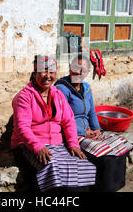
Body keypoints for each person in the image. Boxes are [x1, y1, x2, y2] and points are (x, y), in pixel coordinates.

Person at [11, 55, 96, 192]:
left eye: (51, 72)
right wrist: (37, 146)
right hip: (28, 145)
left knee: (82, 164)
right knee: (53, 167)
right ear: (35, 73)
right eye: (43, 71)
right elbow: (22, 128)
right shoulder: (24, 97)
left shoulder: (58, 95)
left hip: (57, 144)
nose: (47, 76)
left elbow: (69, 122)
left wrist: (73, 145)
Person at [55, 54, 133, 192]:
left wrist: (97, 129)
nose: (78, 72)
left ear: (87, 73)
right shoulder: (62, 89)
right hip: (73, 135)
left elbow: (91, 112)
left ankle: (116, 186)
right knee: (105, 156)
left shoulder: (87, 88)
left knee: (120, 146)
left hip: (89, 131)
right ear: (69, 68)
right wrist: (83, 132)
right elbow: (62, 118)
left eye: (83, 70)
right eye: (75, 68)